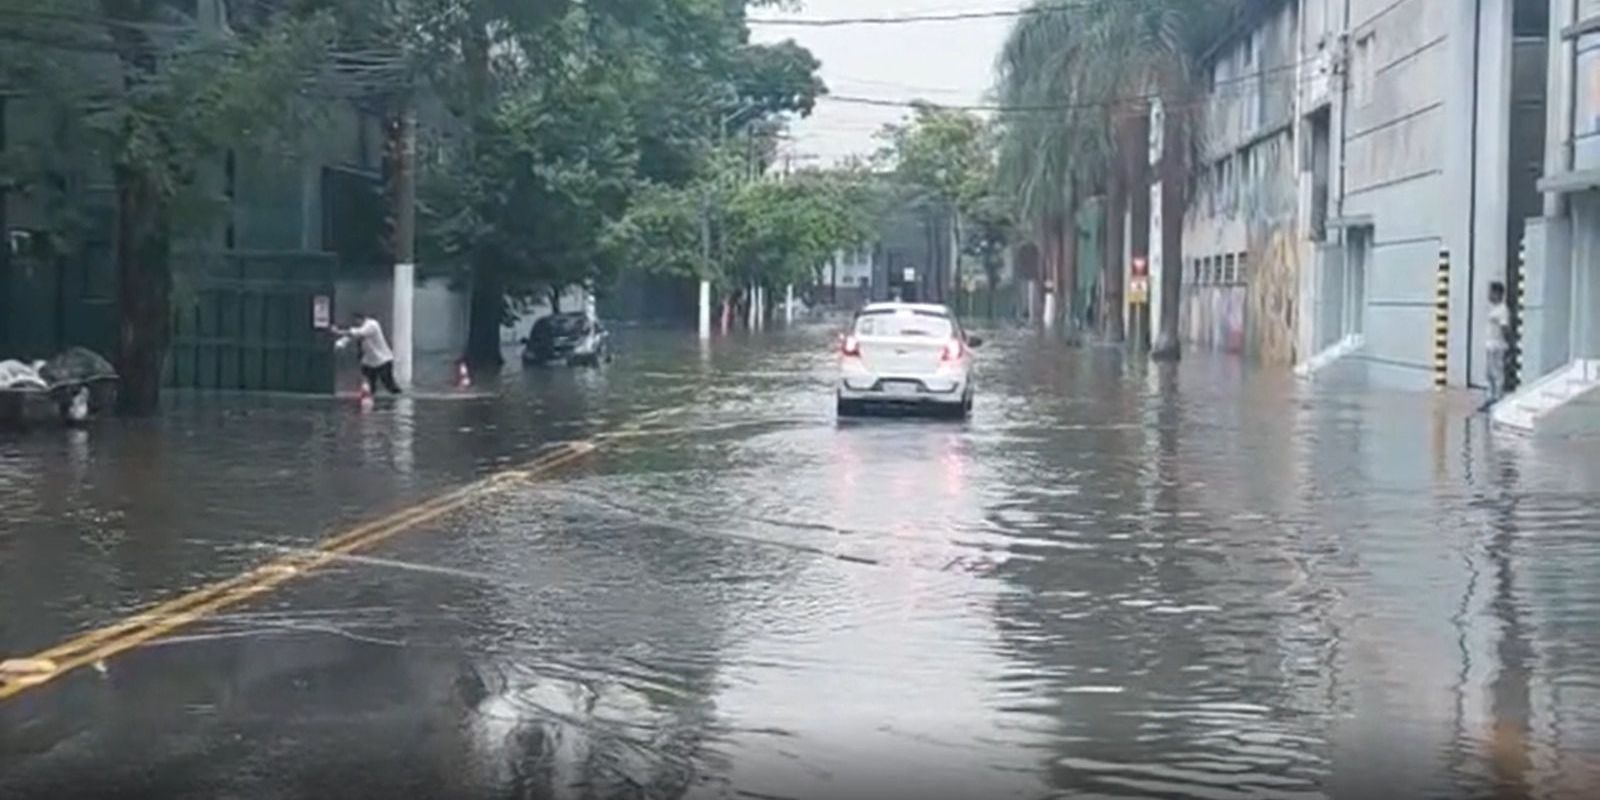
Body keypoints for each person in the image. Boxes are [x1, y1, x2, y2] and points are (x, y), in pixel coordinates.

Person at [335, 312, 401, 395]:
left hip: (383, 360)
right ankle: (370, 400)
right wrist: (339, 344)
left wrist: (338, 331)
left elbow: (359, 333)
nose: (356, 324)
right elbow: (350, 336)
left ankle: (398, 398)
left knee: (388, 384)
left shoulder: (372, 325)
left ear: (362, 319)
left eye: (357, 322)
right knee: (369, 385)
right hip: (368, 362)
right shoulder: (359, 328)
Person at [1484, 280, 1511, 409]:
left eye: (1491, 292)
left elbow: (1505, 327)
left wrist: (1507, 343)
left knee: (1497, 373)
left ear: (1497, 293)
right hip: (1490, 346)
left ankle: (1498, 399)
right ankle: (1491, 398)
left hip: (1497, 346)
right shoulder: (1494, 309)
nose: (1489, 295)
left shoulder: (1502, 310)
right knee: (1489, 373)